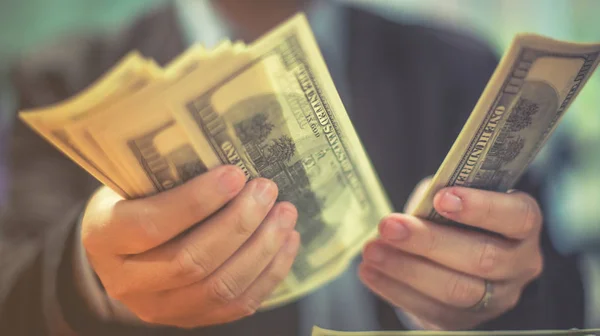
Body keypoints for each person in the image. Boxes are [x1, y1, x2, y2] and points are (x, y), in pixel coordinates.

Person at [0, 0, 584, 335]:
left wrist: (495, 290)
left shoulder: (458, 69)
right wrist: (90, 278)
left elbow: (560, 296)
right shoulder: (62, 83)